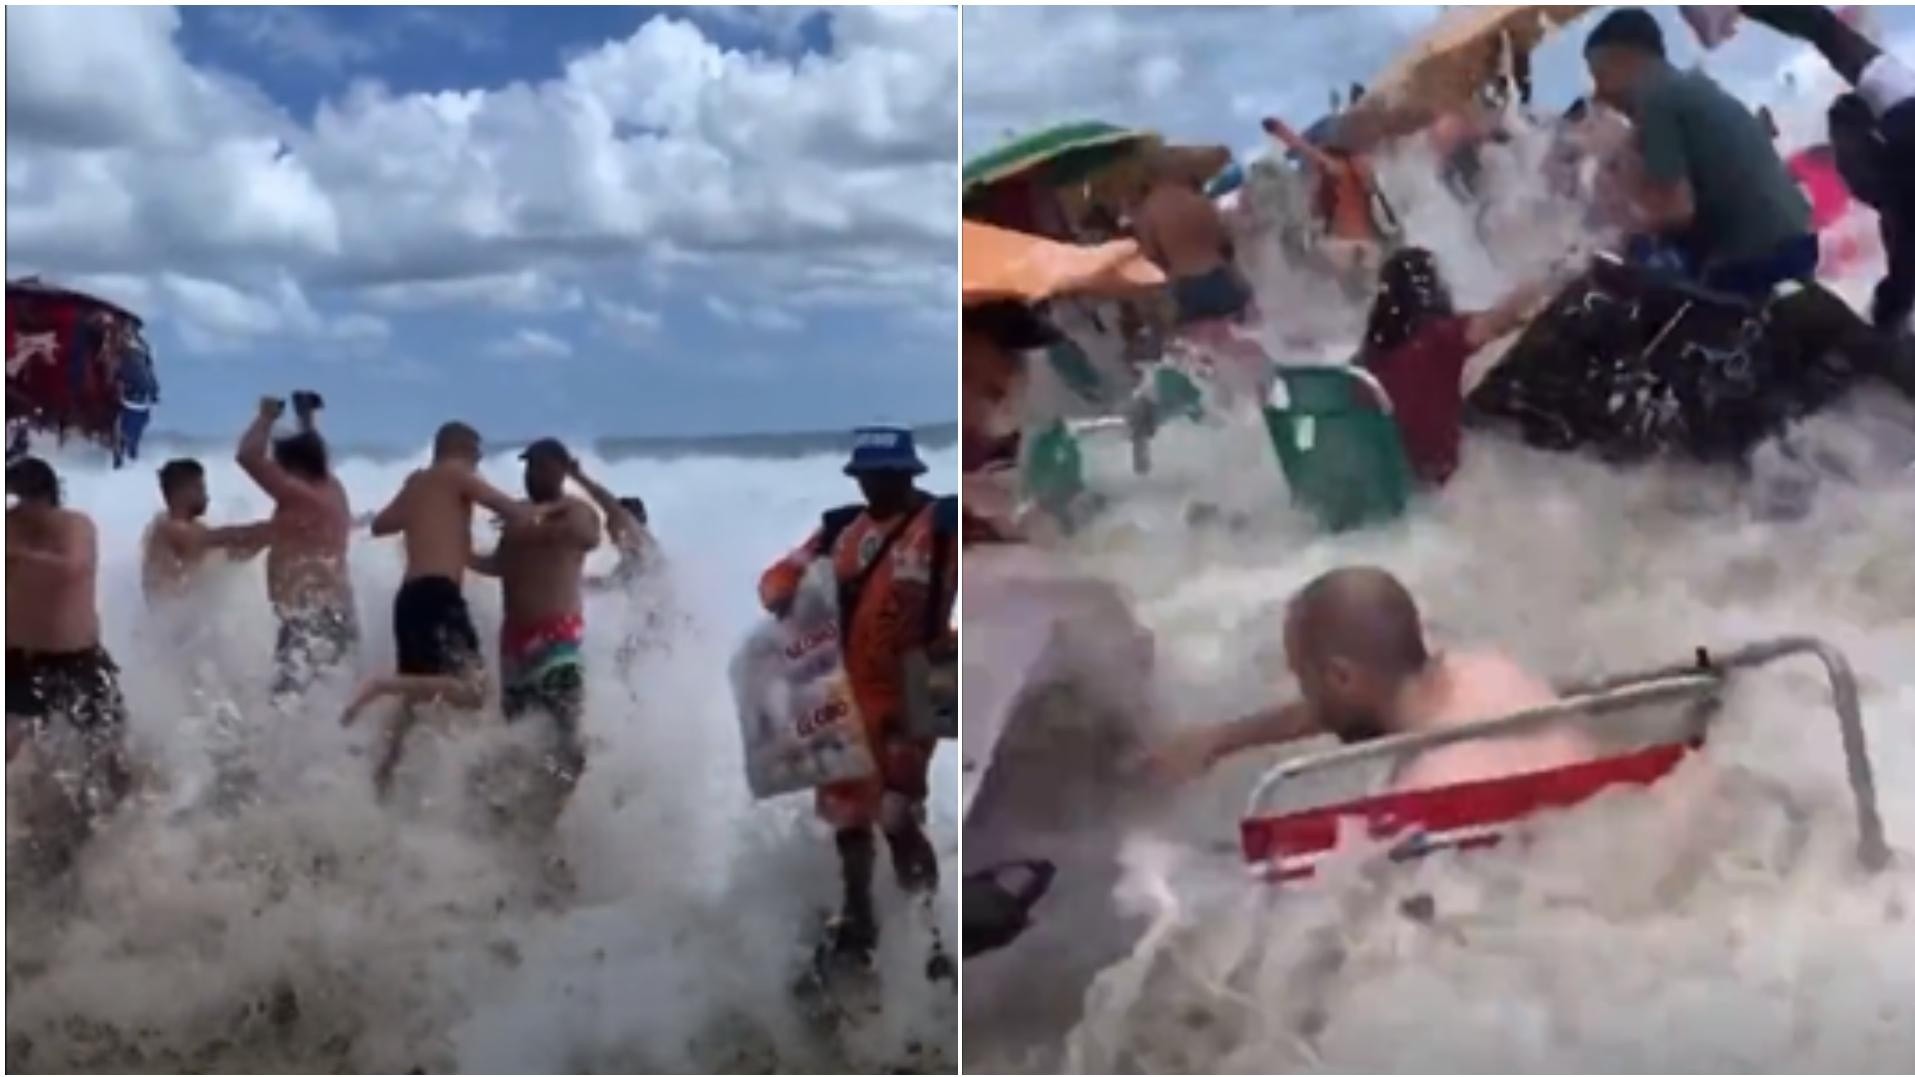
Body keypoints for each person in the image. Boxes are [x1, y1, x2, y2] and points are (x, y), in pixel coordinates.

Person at [758, 426, 958, 961]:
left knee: (898, 811)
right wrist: (784, 595)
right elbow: (778, 577)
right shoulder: (841, 529)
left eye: (883, 477)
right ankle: (859, 915)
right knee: (848, 813)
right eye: (865, 477)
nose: (873, 487)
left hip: (922, 678)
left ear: (909, 475)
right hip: (845, 683)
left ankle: (929, 929)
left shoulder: (941, 524)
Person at [1149, 566, 1598, 793]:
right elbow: (1342, 707)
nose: (1307, 699)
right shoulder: (1485, 666)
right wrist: (1223, 739)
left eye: (1306, 682)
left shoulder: (1431, 784)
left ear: (1341, 677)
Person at [345, 421, 537, 795]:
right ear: (461, 449)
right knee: (475, 690)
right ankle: (380, 685)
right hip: (439, 594)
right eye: (477, 454)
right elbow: (510, 510)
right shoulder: (456, 474)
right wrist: (530, 512)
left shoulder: (418, 483)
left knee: (416, 700)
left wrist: (410, 495)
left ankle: (381, 780)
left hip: (410, 598)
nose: (480, 462)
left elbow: (383, 525)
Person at [1585, 8, 1817, 297]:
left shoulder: (1657, 101)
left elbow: (1676, 211)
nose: (1598, 95)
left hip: (1758, 258)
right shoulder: (1691, 86)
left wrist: (1608, 235)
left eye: (1601, 76)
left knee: (1634, 279)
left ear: (1626, 59)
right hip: (1797, 240)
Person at [6, 456, 131, 867]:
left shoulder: (75, 526)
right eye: (12, 499)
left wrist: (19, 554)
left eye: (25, 501)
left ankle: (126, 837)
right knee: (15, 755)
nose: (18, 509)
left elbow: (74, 567)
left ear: (47, 498)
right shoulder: (9, 527)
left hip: (79, 660)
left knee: (110, 755)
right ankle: (25, 838)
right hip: (18, 661)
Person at [468, 438, 602, 816]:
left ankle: (562, 821)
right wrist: (457, 553)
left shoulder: (574, 511)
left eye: (541, 466)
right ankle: (523, 819)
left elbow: (589, 535)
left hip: (556, 641)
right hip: (514, 648)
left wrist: (540, 513)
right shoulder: (515, 520)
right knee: (518, 741)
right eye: (529, 467)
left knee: (567, 740)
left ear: (561, 469)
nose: (532, 474)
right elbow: (498, 566)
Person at [1356, 247, 1560, 485]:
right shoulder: (1438, 342)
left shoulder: (1365, 361)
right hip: (1435, 485)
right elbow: (1500, 320)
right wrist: (1546, 280)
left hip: (1382, 480)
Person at [236, 395, 359, 696]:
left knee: (289, 701)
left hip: (310, 616)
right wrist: (307, 420)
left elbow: (248, 457)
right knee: (328, 699)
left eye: (281, 466)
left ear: (293, 467)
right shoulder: (333, 489)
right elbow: (315, 456)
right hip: (339, 611)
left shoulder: (300, 495)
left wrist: (265, 416)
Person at [1263, 116, 1399, 288]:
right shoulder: (1361, 167)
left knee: (1304, 265)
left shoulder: (1337, 168)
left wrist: (1281, 132)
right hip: (1371, 247)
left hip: (1345, 249)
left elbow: (1306, 150)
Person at [1131, 150, 1254, 326]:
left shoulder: (1148, 212)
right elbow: (1224, 242)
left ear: (1150, 177)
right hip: (1220, 276)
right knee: (1245, 336)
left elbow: (1152, 257)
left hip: (1187, 285)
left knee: (1207, 347)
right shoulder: (1199, 200)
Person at [141, 458, 270, 603]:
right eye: (201, 489)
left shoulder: (192, 527)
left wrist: (264, 539)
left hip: (181, 617)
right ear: (185, 493)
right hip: (166, 621)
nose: (207, 497)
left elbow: (231, 553)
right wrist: (272, 529)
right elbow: (224, 537)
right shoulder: (168, 527)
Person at [112, 328, 158, 470]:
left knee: (121, 431)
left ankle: (121, 461)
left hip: (132, 404)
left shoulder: (127, 360)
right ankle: (130, 457)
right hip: (143, 405)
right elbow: (152, 383)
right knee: (134, 435)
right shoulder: (144, 357)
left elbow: (120, 379)